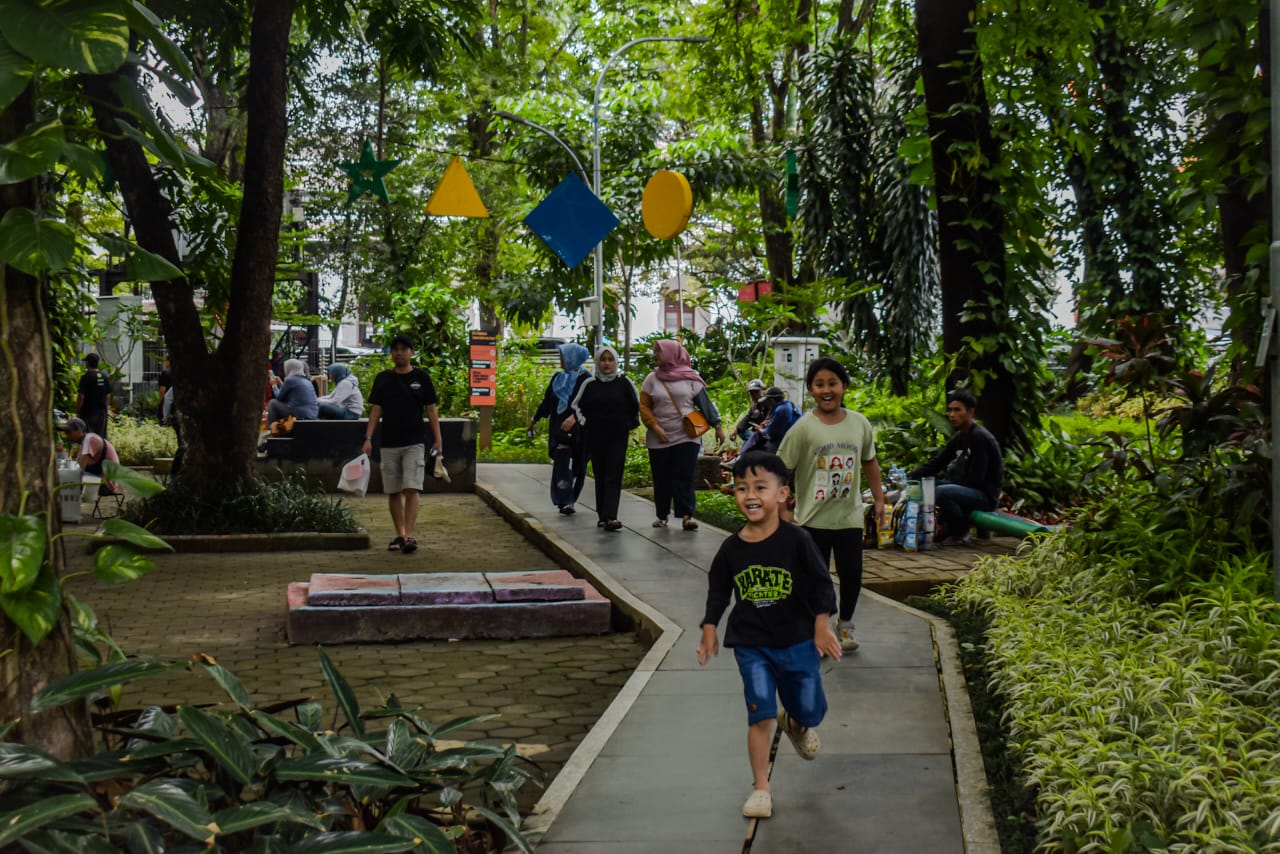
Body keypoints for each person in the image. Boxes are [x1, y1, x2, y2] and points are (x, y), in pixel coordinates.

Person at [696, 451, 842, 820]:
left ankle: (795, 722)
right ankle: (761, 787)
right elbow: (718, 590)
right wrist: (710, 627)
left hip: (798, 640)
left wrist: (822, 625)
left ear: (782, 494)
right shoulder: (731, 549)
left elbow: (822, 583)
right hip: (752, 643)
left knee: (809, 708)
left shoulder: (798, 540)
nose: (750, 495)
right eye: (742, 488)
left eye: (760, 486)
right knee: (759, 712)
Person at [777, 357, 885, 652]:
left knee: (852, 575)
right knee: (816, 579)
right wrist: (783, 509)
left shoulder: (858, 423)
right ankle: (820, 630)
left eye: (832, 384)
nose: (827, 390)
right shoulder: (803, 428)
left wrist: (878, 498)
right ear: (811, 389)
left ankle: (845, 625)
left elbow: (870, 461)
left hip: (849, 517)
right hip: (812, 520)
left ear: (844, 387)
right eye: (819, 384)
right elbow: (781, 469)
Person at [362, 334, 443, 554]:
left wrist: (438, 438)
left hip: (415, 442)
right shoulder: (383, 379)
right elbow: (375, 410)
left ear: (411, 352)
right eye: (395, 349)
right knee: (393, 490)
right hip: (388, 442)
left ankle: (409, 535)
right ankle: (399, 534)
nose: (399, 353)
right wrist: (368, 438)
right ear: (391, 353)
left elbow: (431, 409)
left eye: (404, 349)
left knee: (412, 487)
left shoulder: (422, 378)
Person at [639, 339, 726, 530]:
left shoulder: (691, 378)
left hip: (687, 435)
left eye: (658, 351)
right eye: (654, 352)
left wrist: (718, 426)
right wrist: (655, 427)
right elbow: (644, 407)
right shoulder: (651, 379)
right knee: (661, 477)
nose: (655, 355)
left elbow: (705, 404)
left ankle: (687, 515)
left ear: (671, 353)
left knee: (684, 475)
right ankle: (662, 516)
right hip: (658, 437)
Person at [907, 388, 1004, 545]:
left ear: (970, 412)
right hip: (966, 489)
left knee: (941, 491)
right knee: (926, 485)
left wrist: (950, 485)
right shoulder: (960, 436)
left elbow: (977, 479)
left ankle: (960, 532)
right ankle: (938, 528)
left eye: (957, 410)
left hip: (984, 495)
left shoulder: (980, 437)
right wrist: (911, 476)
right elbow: (939, 462)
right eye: (950, 410)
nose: (951, 414)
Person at [569, 345, 640, 532]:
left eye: (610, 360)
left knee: (613, 475)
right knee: (600, 475)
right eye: (603, 359)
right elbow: (577, 405)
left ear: (616, 362)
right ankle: (602, 516)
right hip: (596, 436)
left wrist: (629, 424)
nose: (607, 363)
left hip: (618, 437)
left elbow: (635, 405)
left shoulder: (624, 382)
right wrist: (585, 423)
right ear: (598, 362)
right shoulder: (589, 384)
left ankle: (611, 516)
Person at [529, 343, 592, 515]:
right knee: (562, 463)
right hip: (560, 431)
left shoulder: (586, 379)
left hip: (581, 431)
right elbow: (547, 402)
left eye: (563, 356)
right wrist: (535, 419)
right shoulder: (558, 378)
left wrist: (575, 417)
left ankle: (571, 497)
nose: (561, 360)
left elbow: (590, 404)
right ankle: (565, 501)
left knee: (579, 467)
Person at [59, 416, 122, 496]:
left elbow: (79, 470)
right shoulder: (85, 442)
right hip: (105, 482)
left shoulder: (89, 439)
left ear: (79, 430)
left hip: (107, 485)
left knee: (65, 483)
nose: (67, 436)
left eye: (69, 432)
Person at [742, 386, 802, 454]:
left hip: (783, 443)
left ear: (772, 401)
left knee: (757, 436)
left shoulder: (781, 410)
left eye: (767, 401)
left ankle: (741, 458)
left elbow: (769, 435)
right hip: (789, 438)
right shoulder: (789, 405)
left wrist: (760, 429)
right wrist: (770, 422)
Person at [267, 358, 319, 425]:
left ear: (289, 368)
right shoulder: (307, 381)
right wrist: (280, 383)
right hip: (312, 415)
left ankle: (272, 427)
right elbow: (290, 394)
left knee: (273, 403)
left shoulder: (291, 380)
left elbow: (279, 398)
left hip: (299, 415)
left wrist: (274, 385)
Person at [76, 353, 113, 440]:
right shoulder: (104, 377)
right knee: (101, 439)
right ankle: (101, 453)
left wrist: (78, 409)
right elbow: (108, 395)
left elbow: (81, 396)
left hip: (88, 413)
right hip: (102, 414)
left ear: (88, 363)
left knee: (89, 439)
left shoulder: (85, 377)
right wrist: (106, 408)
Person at [734, 378, 769, 444]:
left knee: (749, 442)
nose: (754, 395)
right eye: (751, 393)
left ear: (763, 390)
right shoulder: (754, 406)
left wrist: (762, 428)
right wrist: (736, 429)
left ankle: (752, 444)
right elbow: (747, 419)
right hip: (756, 433)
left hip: (767, 434)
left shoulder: (771, 403)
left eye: (756, 392)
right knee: (740, 429)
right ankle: (751, 444)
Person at [156, 355, 171, 423]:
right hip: (178, 400)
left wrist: (159, 401)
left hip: (166, 400)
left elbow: (162, 389)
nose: (164, 363)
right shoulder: (180, 373)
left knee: (163, 421)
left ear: (168, 362)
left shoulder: (165, 373)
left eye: (165, 361)